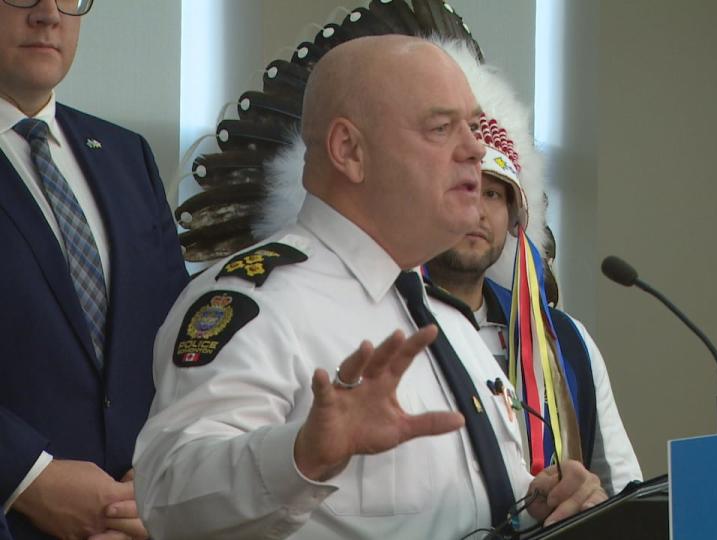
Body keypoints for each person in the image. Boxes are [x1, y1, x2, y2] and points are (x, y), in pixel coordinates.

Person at [134, 35, 606, 540]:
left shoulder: (448, 322)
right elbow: (167, 492)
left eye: (472, 126)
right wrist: (302, 455)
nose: (476, 148)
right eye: (442, 128)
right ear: (349, 150)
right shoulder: (258, 302)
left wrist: (543, 502)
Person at [0, 0, 188, 538]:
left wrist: (159, 467)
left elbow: (178, 338)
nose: (48, 14)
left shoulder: (128, 156)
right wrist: (28, 479)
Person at [423, 42, 642, 496]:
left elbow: (625, 492)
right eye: (464, 189)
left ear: (516, 219)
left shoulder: (568, 344)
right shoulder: (383, 329)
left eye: (494, 195)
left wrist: (593, 500)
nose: (478, 211)